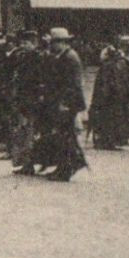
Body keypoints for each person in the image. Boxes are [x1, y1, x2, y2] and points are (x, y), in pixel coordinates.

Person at [35, 28, 89, 181]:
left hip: (67, 103)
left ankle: (67, 168)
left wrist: (65, 103)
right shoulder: (64, 56)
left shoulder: (70, 58)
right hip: (62, 102)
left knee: (65, 137)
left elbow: (73, 84)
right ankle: (67, 165)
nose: (51, 46)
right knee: (64, 136)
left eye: (52, 43)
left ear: (61, 43)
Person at [7, 31, 44, 171]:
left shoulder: (38, 58)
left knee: (29, 133)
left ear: (34, 43)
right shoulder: (21, 57)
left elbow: (39, 80)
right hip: (21, 99)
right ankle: (24, 163)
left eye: (27, 42)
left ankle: (29, 163)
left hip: (31, 100)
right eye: (22, 42)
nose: (23, 45)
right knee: (21, 133)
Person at [88, 44, 129, 150]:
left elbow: (104, 84)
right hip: (116, 97)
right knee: (113, 119)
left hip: (106, 98)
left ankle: (105, 141)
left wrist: (101, 98)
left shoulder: (106, 66)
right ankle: (111, 141)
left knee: (105, 119)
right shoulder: (119, 64)